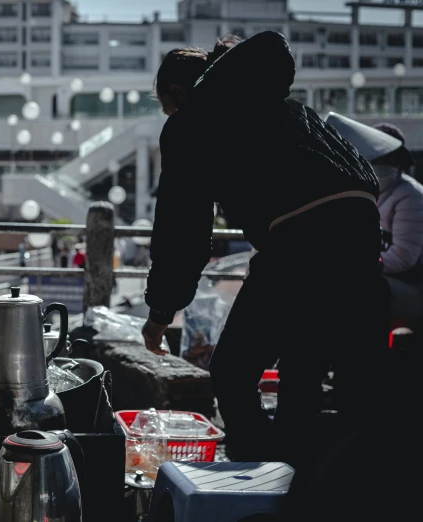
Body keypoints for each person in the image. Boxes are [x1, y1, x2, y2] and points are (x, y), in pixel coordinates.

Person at [140, 31, 391, 486]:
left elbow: (183, 228)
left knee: (233, 373)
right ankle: (298, 486)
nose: (170, 117)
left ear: (178, 93)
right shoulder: (286, 108)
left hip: (302, 240)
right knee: (302, 370)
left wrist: (161, 310)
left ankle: (255, 484)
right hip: (361, 232)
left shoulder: (193, 120)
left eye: (167, 107)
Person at [325, 115, 423, 327]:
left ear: (398, 163)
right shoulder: (360, 192)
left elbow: (403, 258)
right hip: (374, 278)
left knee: (359, 288)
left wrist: (354, 264)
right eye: (375, 159)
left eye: (387, 160)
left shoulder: (412, 196)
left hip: (411, 285)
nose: (380, 165)